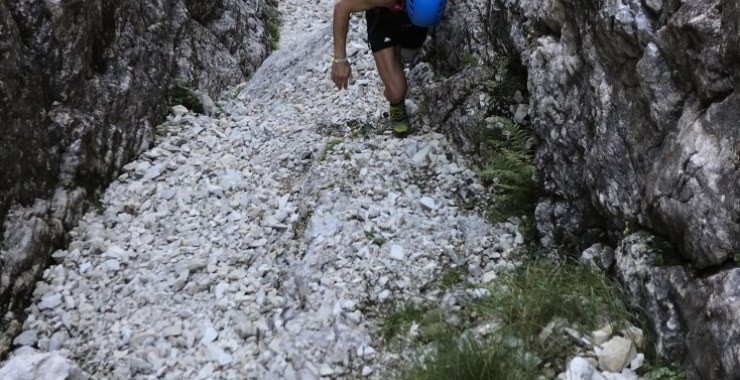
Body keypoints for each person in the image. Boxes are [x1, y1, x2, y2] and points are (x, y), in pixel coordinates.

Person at [331, 0, 447, 136]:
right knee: (396, 92)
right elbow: (341, 8)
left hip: (416, 27)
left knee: (407, 57)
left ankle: (396, 60)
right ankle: (396, 104)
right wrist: (340, 60)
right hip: (384, 23)